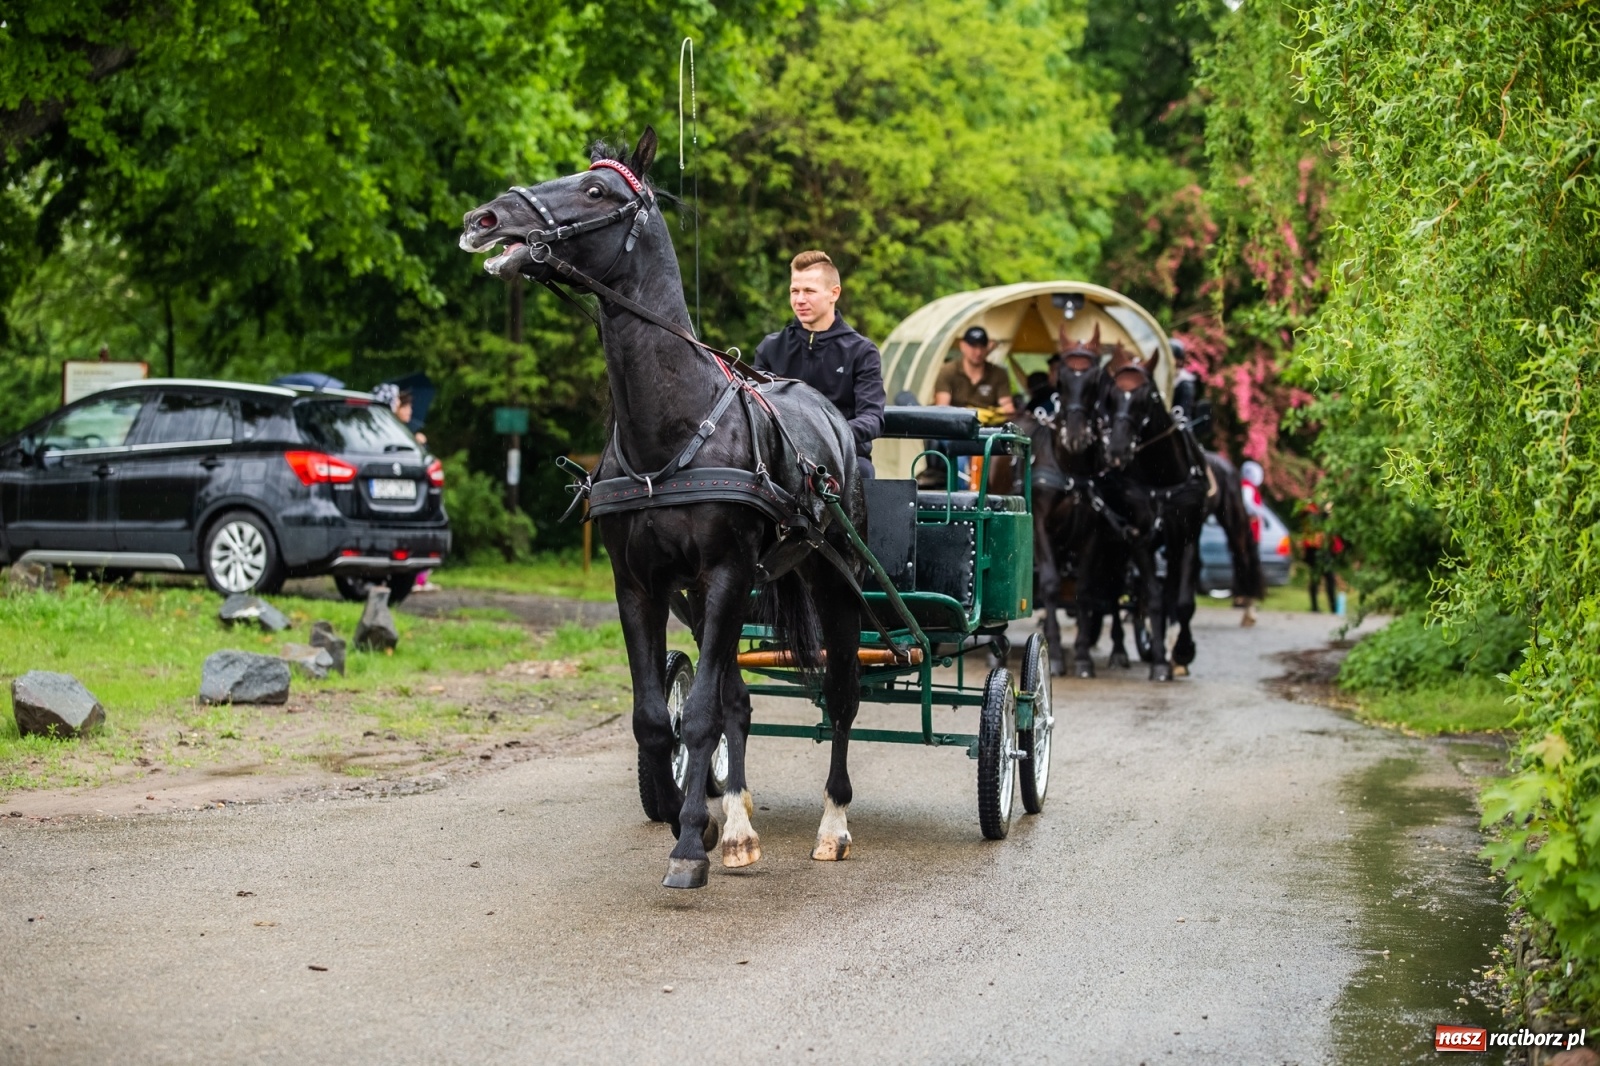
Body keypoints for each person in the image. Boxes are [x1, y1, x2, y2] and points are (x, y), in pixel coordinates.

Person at [755, 250, 884, 480]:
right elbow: (754, 411)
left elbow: (872, 419)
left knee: (864, 472)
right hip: (781, 463)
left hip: (844, 463)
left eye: (809, 291)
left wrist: (823, 437)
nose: (800, 299)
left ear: (834, 293)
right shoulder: (771, 348)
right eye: (794, 291)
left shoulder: (862, 351)